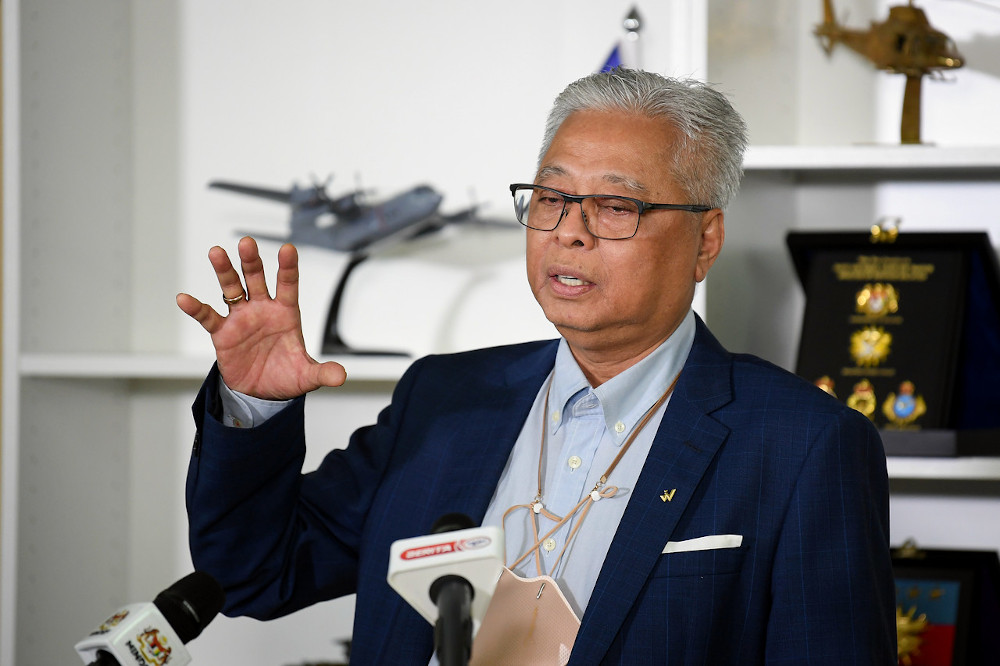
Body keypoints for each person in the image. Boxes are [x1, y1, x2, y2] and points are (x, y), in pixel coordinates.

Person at [177, 69, 896, 664]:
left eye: (615, 206)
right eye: (552, 198)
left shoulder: (805, 443)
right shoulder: (444, 397)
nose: (569, 232)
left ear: (705, 240)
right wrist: (252, 404)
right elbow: (253, 573)